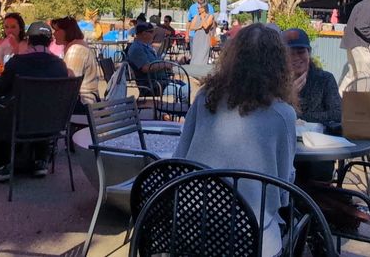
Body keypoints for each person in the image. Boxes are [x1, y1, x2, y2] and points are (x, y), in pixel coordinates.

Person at [174, 24, 297, 257]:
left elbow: (180, 159)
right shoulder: (283, 115)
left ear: (231, 57)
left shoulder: (204, 99)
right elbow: (283, 192)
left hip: (189, 228)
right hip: (250, 238)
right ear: (279, 64)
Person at [0, 21, 70, 181]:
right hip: (50, 124)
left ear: (29, 40)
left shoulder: (17, 63)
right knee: (41, 107)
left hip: (19, 123)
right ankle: (40, 160)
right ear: (50, 41)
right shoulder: (60, 66)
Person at [283, 28, 341, 127]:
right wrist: (289, 96)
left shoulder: (325, 79)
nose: (296, 58)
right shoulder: (275, 82)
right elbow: (273, 114)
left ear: (309, 52)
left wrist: (302, 117)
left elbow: (337, 114)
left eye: (301, 52)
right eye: (291, 53)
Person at [51, 17, 99, 109]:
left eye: (56, 30)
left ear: (66, 31)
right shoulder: (78, 45)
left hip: (83, 104)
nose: (54, 34)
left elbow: (70, 84)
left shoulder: (75, 50)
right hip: (87, 102)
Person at [127, 22, 176, 95]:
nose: (154, 34)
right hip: (152, 86)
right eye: (152, 32)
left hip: (159, 81)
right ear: (144, 34)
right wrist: (165, 65)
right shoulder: (137, 48)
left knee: (184, 86)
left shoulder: (145, 46)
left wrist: (170, 64)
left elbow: (156, 62)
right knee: (185, 90)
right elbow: (145, 68)